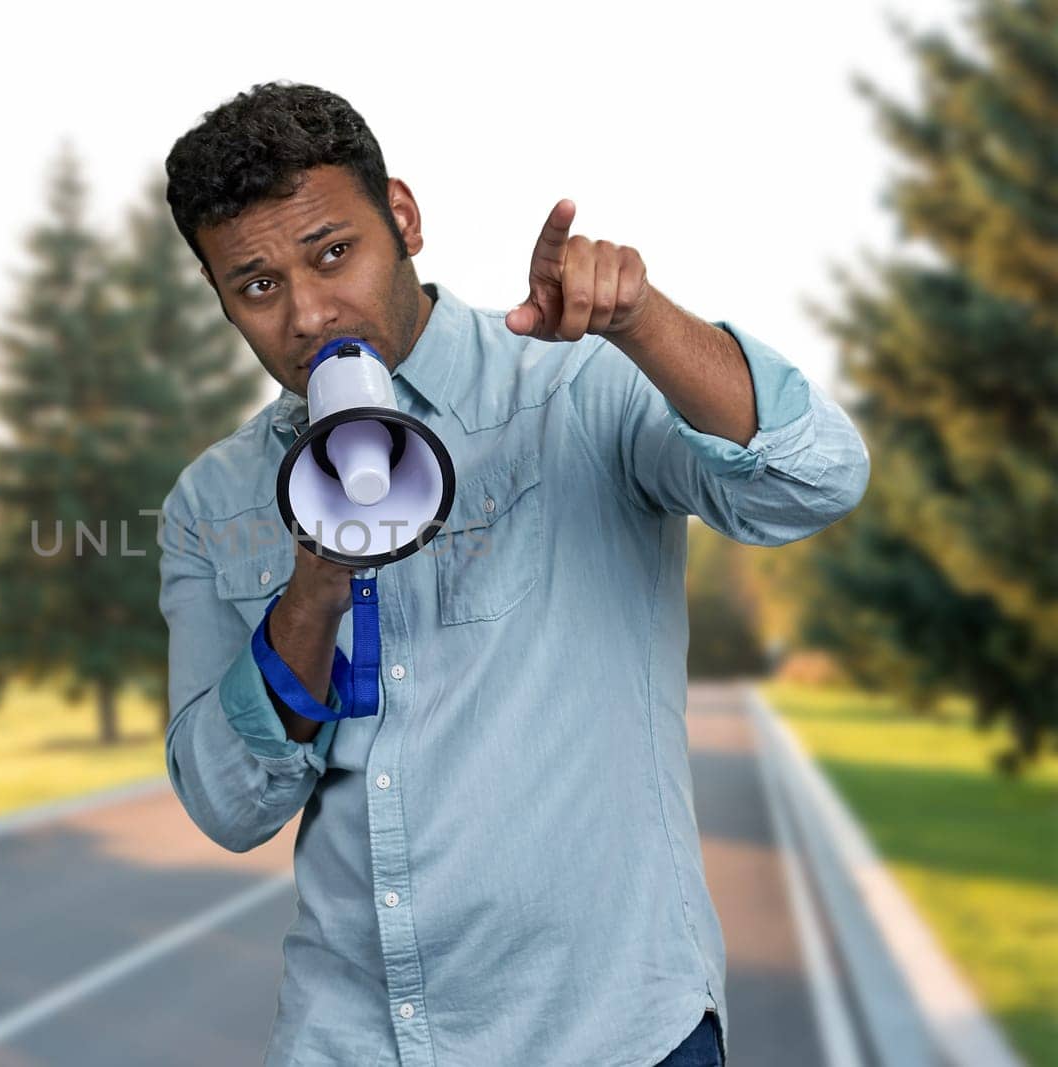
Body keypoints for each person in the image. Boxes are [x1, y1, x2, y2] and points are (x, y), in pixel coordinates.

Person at [156, 82, 869, 1067]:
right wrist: (315, 579)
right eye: (258, 285)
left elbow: (816, 479)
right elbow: (229, 805)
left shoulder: (578, 382)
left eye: (333, 252)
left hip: (612, 1033)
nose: (312, 313)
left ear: (401, 217)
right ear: (224, 298)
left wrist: (642, 320)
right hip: (351, 1040)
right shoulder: (216, 498)